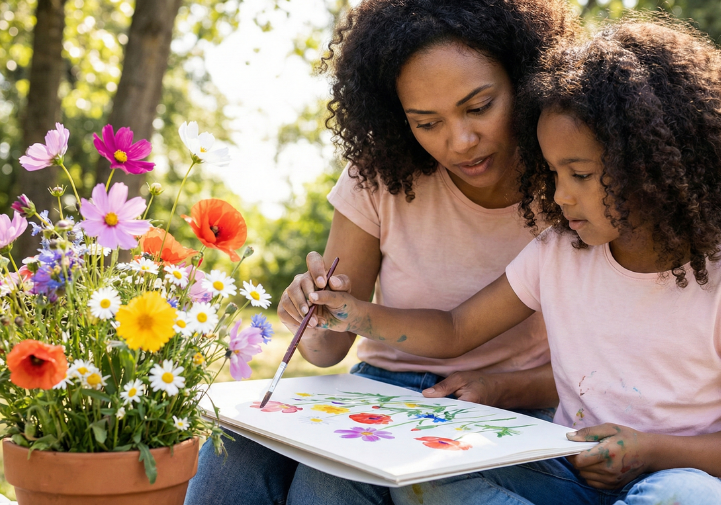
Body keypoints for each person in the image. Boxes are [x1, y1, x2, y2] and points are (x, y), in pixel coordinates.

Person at [305, 18, 721, 504]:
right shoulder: (557, 253)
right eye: (552, 173)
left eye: (581, 174)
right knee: (425, 471)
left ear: (651, 165)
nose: (560, 197)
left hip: (680, 471)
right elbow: (455, 329)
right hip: (564, 471)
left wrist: (651, 451)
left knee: (685, 495)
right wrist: (354, 313)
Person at [184, 1, 580, 504]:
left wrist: (503, 387)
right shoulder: (380, 175)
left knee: (327, 483)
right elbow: (326, 350)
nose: (460, 141)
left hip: (506, 405)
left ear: (527, 80)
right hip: (376, 389)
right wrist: (316, 313)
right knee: (230, 447)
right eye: (426, 122)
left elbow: (601, 368)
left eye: (479, 107)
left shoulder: (572, 183)